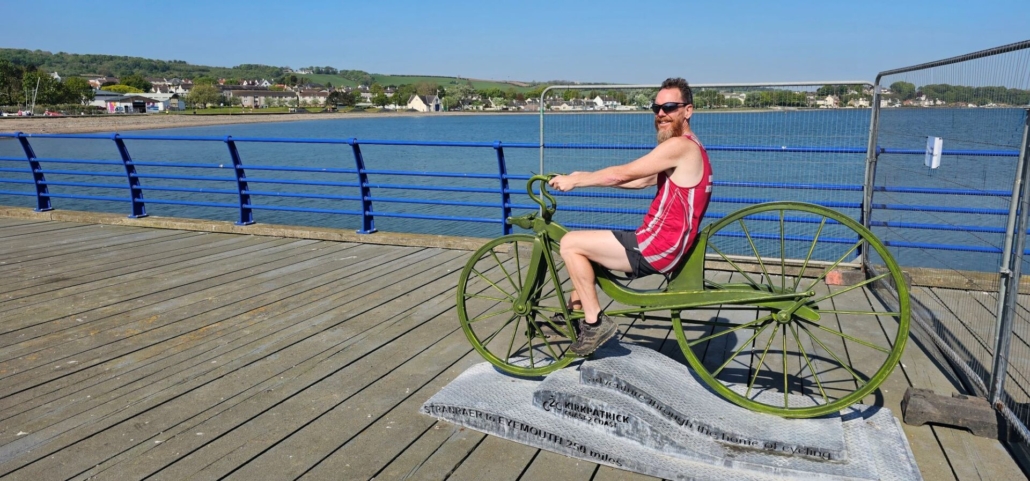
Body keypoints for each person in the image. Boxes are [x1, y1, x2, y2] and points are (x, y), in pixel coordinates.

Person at [547, 77, 713, 356]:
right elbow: (638, 181)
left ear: (688, 111)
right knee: (590, 245)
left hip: (657, 247)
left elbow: (622, 173)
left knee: (570, 243)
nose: (661, 113)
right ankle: (574, 312)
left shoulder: (679, 147)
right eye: (656, 108)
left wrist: (575, 183)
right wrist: (582, 176)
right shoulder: (691, 147)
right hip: (665, 243)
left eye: (670, 107)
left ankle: (594, 323)